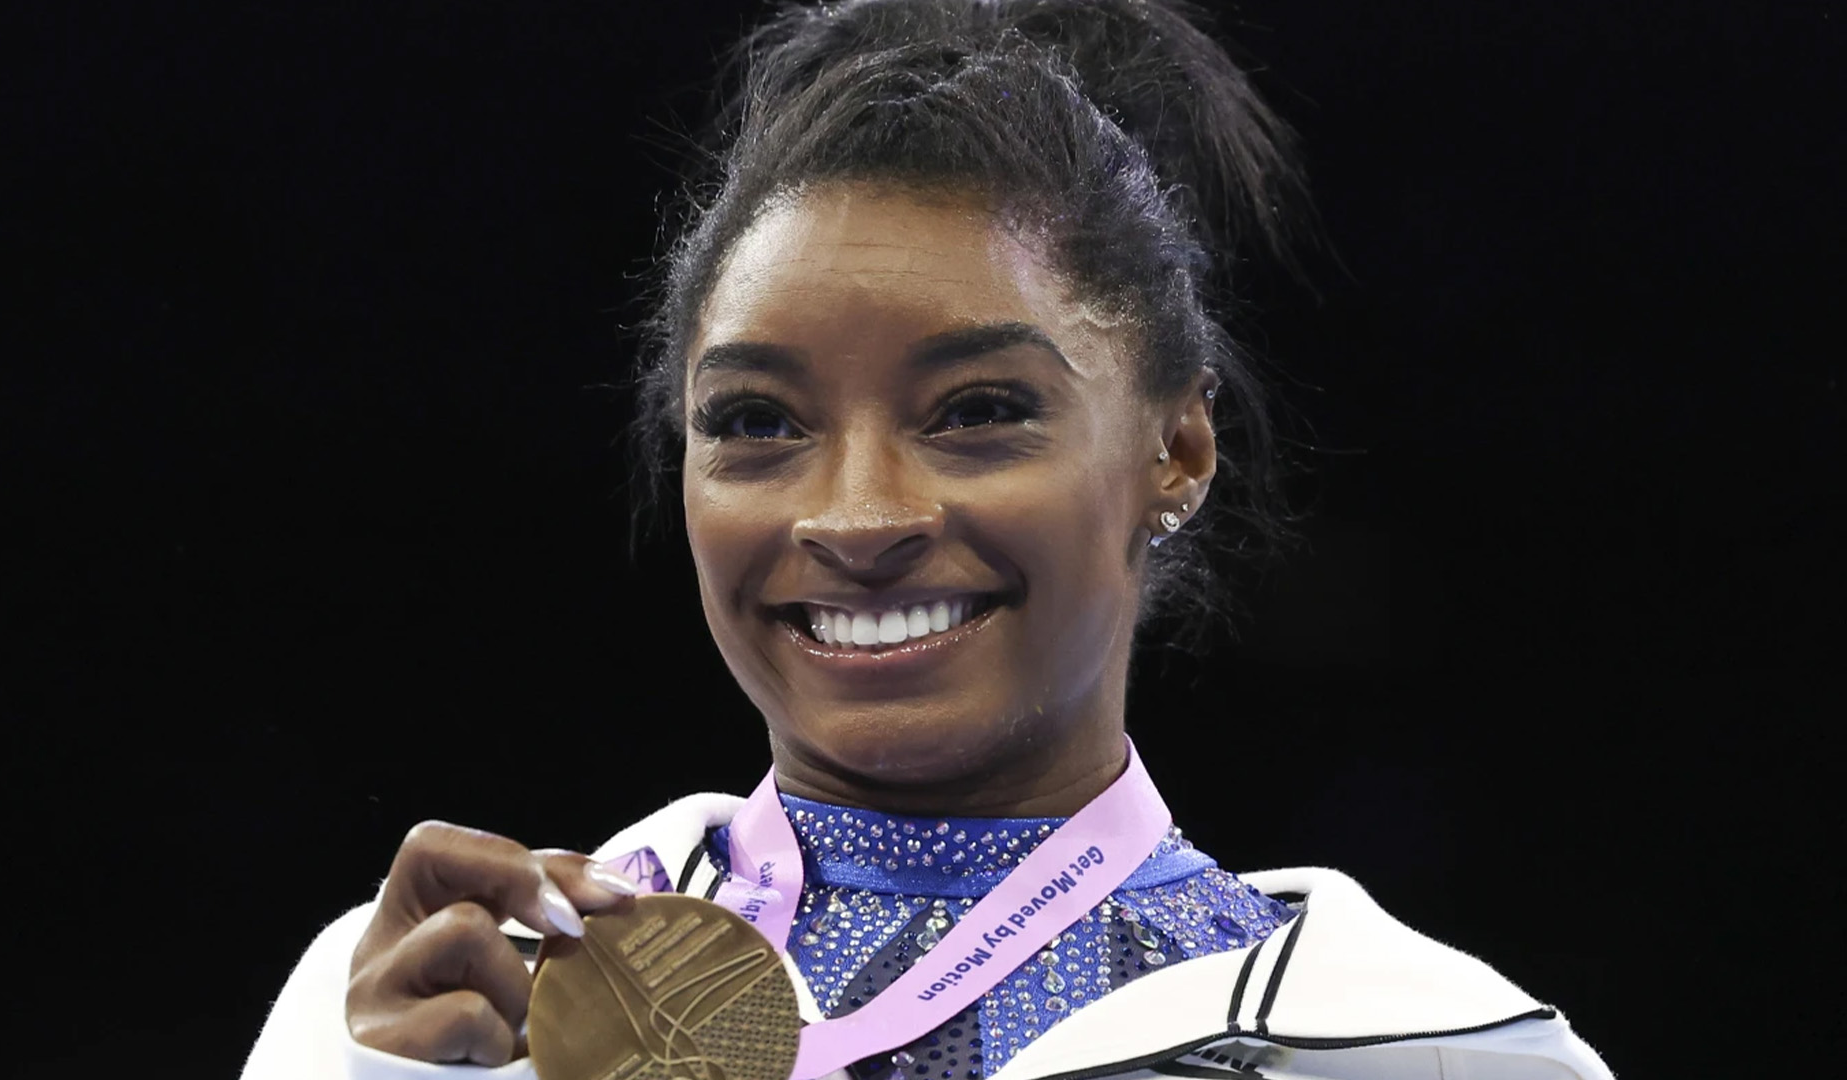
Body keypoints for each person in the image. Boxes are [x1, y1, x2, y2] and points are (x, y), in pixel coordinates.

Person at [243, 2, 1612, 1077]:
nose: (857, 519)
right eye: (759, 423)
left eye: (979, 411)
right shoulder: (426, 1003)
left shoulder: (1421, 1051)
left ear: (1174, 452)